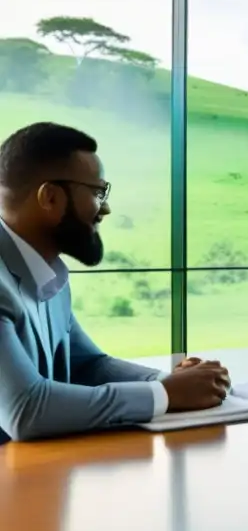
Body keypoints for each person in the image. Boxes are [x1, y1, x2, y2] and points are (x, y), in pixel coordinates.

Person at [0, 122, 231, 443]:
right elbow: (25, 410)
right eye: (97, 192)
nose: (105, 208)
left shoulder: (48, 273)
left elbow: (89, 366)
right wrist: (164, 393)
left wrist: (179, 381)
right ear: (50, 197)